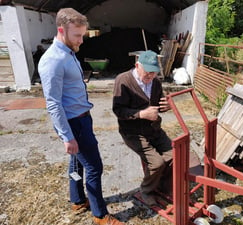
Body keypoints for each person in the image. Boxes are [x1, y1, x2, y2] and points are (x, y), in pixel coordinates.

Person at [38, 8, 123, 225]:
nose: (81, 40)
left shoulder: (68, 52)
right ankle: (100, 215)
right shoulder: (53, 61)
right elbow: (53, 103)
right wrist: (67, 136)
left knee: (77, 161)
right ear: (61, 30)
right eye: (77, 35)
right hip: (74, 122)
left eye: (82, 35)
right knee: (95, 167)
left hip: (82, 117)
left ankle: (77, 200)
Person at [112, 50, 173, 206]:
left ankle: (161, 184)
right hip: (133, 133)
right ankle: (146, 190)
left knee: (175, 154)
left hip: (153, 129)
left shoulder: (156, 82)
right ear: (137, 65)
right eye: (147, 72)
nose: (150, 76)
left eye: (154, 73)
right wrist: (141, 114)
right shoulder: (123, 81)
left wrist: (166, 106)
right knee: (157, 163)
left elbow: (159, 104)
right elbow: (118, 111)